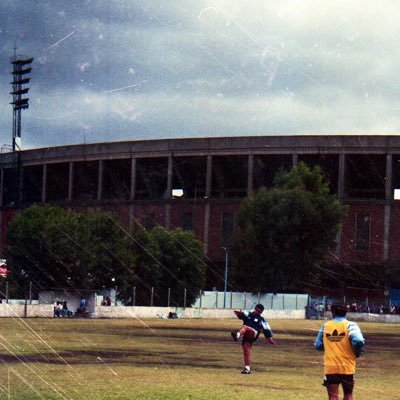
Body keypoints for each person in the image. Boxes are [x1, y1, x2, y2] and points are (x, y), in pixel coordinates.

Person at [314, 302, 365, 400]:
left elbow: (318, 345)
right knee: (348, 395)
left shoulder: (325, 326)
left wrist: (331, 344)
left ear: (332, 312)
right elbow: (358, 340)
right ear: (346, 312)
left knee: (333, 397)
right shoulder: (351, 325)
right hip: (347, 366)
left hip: (331, 366)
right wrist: (357, 352)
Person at [230, 303, 275, 374]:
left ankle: (237, 335)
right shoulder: (248, 314)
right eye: (257, 310)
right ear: (255, 309)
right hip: (246, 334)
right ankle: (247, 369)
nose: (258, 312)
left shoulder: (262, 320)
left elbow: (266, 330)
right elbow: (240, 315)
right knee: (246, 350)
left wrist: (270, 339)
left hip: (254, 333)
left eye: (260, 311)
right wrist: (238, 313)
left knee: (245, 327)